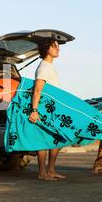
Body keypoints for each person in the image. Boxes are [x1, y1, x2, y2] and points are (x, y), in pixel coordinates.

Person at [28, 40, 65, 180]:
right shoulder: (44, 67)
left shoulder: (49, 66)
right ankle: (42, 172)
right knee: (43, 139)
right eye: (54, 46)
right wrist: (34, 110)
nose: (58, 48)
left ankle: (51, 170)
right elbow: (37, 90)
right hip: (44, 109)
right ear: (47, 49)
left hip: (52, 109)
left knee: (56, 138)